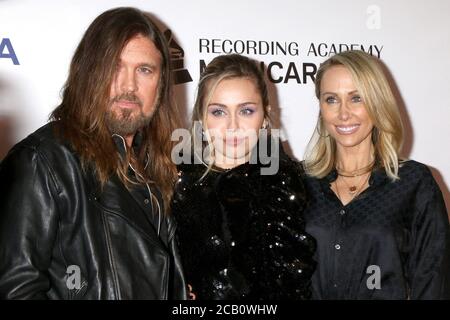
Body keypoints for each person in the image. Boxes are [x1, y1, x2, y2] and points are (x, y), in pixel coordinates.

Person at [0, 7, 187, 299]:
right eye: (115, 66)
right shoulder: (42, 160)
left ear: (161, 85)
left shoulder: (158, 170)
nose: (129, 86)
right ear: (89, 72)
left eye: (145, 70)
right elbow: (15, 291)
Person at [302, 50, 450, 299]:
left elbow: (433, 280)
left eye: (356, 98)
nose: (343, 113)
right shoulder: (300, 182)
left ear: (377, 102)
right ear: (321, 108)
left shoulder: (413, 182)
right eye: (331, 99)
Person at [171, 54, 316, 300]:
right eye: (218, 112)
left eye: (246, 111)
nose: (233, 125)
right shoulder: (173, 184)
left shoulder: (292, 186)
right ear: (201, 118)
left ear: (265, 117)